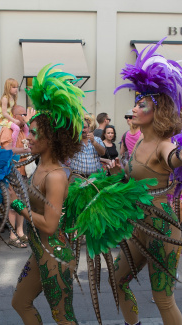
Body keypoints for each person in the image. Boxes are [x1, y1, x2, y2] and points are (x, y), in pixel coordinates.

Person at [110, 39, 182, 325]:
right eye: (135, 104)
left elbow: (175, 160)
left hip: (164, 228)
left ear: (158, 112)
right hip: (138, 225)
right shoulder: (138, 140)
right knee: (118, 280)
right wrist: (117, 173)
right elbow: (132, 179)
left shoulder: (164, 145)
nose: (134, 110)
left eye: (142, 105)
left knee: (163, 299)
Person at [10, 64, 85, 324]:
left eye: (34, 133)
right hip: (38, 251)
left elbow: (50, 225)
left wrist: (18, 207)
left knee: (64, 318)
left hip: (55, 256)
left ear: (51, 138)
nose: (28, 138)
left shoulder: (55, 175)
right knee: (20, 302)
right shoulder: (39, 163)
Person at [0, 105, 31, 248]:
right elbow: (7, 150)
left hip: (24, 172)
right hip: (11, 173)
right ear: (14, 115)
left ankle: (20, 231)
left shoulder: (25, 130)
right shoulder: (7, 129)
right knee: (13, 205)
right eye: (22, 114)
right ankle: (12, 235)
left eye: (26, 114)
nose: (25, 116)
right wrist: (26, 150)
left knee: (21, 203)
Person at [0, 78, 29, 147]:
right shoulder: (5, 98)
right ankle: (13, 145)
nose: (16, 89)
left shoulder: (13, 98)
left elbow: (14, 109)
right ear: (8, 88)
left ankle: (26, 142)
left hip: (11, 117)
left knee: (26, 127)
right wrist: (14, 120)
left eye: (17, 87)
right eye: (14, 87)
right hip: (4, 119)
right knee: (16, 128)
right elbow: (4, 113)